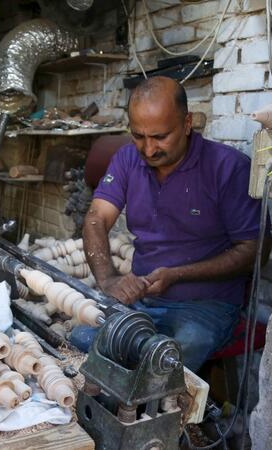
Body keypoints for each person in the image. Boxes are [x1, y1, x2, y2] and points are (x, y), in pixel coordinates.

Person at [69, 76, 270, 372]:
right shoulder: (127, 159)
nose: (149, 150)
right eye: (138, 136)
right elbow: (97, 218)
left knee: (166, 361)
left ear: (187, 124)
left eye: (160, 137)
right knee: (81, 340)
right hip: (144, 302)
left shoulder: (228, 168)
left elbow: (255, 250)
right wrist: (108, 279)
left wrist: (176, 275)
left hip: (206, 306)